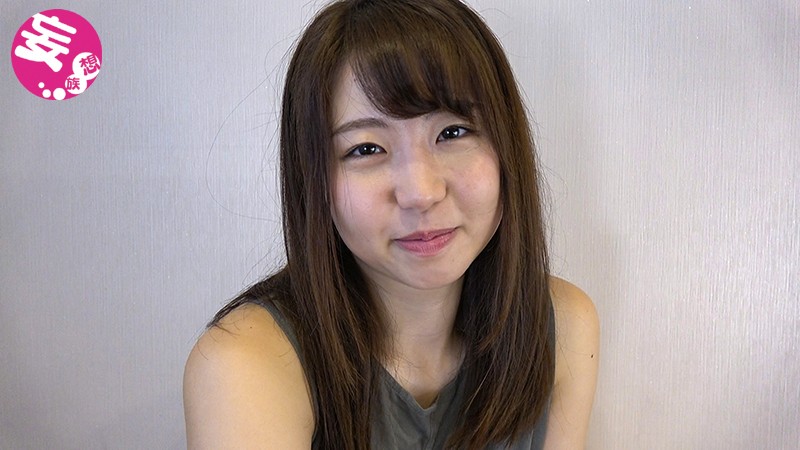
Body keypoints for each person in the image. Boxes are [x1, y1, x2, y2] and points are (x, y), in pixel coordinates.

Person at [183, 0, 599, 448]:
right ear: (314, 180)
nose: (421, 192)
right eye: (366, 149)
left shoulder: (561, 327)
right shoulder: (246, 363)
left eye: (452, 132)